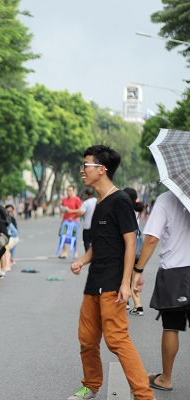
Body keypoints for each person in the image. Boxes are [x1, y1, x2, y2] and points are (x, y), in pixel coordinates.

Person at [68, 145, 154, 400]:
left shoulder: (120, 201)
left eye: (86, 165)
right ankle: (91, 384)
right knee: (86, 339)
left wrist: (126, 283)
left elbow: (130, 242)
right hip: (94, 281)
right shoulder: (98, 203)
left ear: (102, 170)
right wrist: (82, 261)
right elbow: (101, 242)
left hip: (113, 283)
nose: (82, 170)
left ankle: (144, 395)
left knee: (116, 340)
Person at [132, 190, 190, 392]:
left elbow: (151, 239)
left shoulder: (166, 199)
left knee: (171, 326)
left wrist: (138, 269)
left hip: (174, 272)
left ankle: (166, 379)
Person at [122, 187, 145, 316]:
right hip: (138, 249)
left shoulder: (126, 211)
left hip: (130, 249)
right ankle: (133, 303)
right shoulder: (136, 211)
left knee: (128, 276)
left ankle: (134, 304)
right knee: (134, 277)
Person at [70, 188, 97, 252]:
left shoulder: (86, 203)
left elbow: (81, 212)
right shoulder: (98, 201)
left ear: (86, 195)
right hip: (96, 226)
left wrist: (73, 217)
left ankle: (88, 256)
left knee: (87, 242)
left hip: (87, 226)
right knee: (95, 242)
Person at [59, 186, 82, 259]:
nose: (68, 192)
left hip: (73, 221)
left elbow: (80, 210)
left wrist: (71, 211)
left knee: (73, 237)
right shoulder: (64, 199)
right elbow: (61, 209)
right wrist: (62, 210)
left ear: (73, 191)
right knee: (63, 236)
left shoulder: (76, 199)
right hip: (65, 220)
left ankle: (75, 252)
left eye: (70, 190)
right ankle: (64, 252)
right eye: (67, 190)